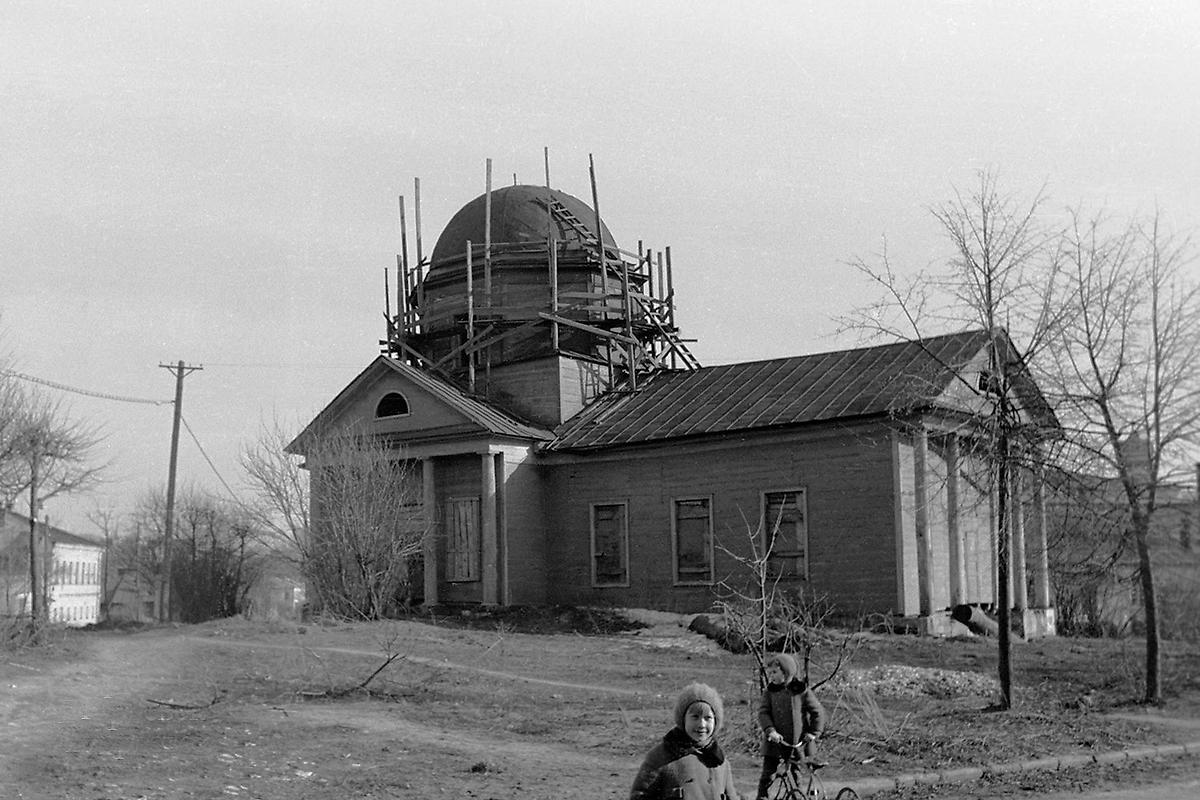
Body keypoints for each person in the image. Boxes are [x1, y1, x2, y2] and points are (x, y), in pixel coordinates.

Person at [629, 682, 743, 800]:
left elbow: (731, 796)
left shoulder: (719, 761)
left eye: (708, 718)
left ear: (716, 722)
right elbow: (639, 796)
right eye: (695, 717)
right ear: (683, 719)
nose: (701, 724)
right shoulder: (661, 757)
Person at [755, 652, 826, 800]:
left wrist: (814, 732)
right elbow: (763, 713)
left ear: (786, 672)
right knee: (768, 774)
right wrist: (770, 730)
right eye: (770, 673)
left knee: (796, 774)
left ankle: (796, 796)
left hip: (797, 743)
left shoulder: (800, 691)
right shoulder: (769, 692)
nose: (771, 676)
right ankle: (762, 797)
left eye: (775, 672)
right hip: (776, 743)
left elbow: (817, 712)